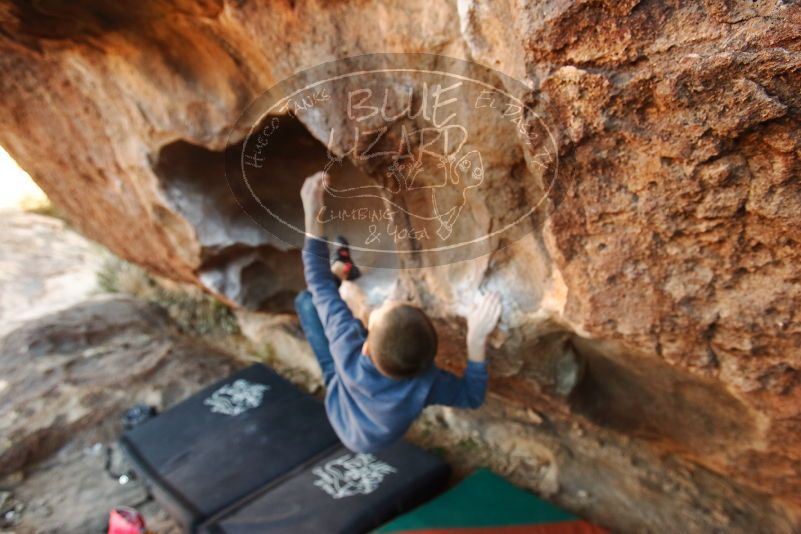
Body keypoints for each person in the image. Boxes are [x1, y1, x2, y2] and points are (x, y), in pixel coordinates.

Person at [295, 171, 502, 453]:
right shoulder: (428, 383)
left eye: (379, 310)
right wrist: (475, 340)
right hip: (373, 431)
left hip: (340, 398)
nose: (381, 305)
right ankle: (343, 270)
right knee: (320, 302)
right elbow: (472, 396)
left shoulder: (346, 346)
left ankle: (340, 272)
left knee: (307, 302)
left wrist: (313, 211)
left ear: (365, 347)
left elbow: (318, 284)